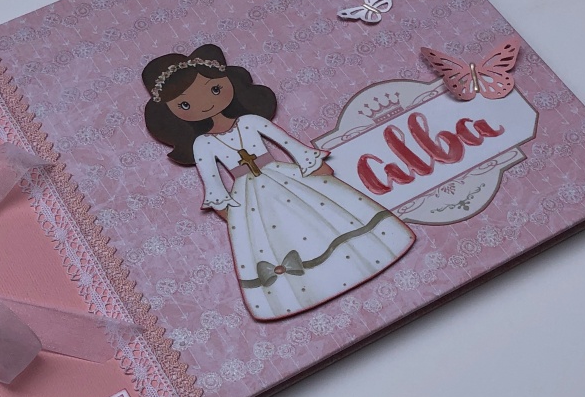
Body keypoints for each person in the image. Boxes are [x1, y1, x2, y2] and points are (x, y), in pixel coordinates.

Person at [142, 44, 415, 320]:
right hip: (248, 196)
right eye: (185, 105)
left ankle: (359, 259)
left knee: (320, 219)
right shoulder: (203, 144)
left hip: (284, 176)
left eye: (214, 89)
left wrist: (313, 165)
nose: (205, 104)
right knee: (276, 239)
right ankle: (306, 287)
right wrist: (231, 213)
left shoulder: (250, 121)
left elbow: (288, 144)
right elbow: (213, 184)